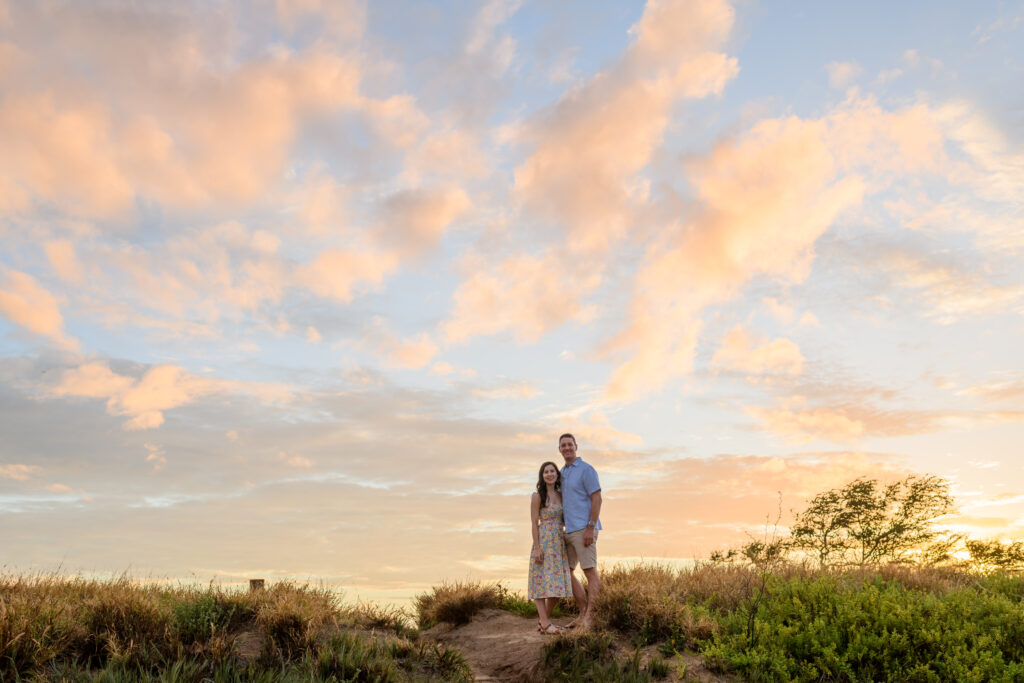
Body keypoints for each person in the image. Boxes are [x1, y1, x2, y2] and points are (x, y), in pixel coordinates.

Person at [558, 433, 601, 629]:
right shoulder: (562, 473)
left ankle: (591, 617)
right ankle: (582, 613)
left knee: (589, 571)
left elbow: (597, 498)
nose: (567, 448)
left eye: (569, 444)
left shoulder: (586, 469)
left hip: (585, 528)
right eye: (563, 445)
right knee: (566, 571)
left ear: (576, 446)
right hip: (569, 531)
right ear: (559, 450)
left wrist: (590, 527)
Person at [527, 461, 573, 635]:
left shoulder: (562, 495)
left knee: (558, 586)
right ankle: (546, 624)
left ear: (557, 474)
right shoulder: (537, 496)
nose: (549, 474)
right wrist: (537, 548)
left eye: (552, 471)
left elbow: (564, 519)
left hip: (559, 542)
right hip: (544, 540)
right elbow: (533, 523)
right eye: (546, 472)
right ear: (542, 476)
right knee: (539, 582)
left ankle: (543, 621)